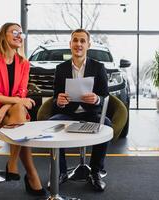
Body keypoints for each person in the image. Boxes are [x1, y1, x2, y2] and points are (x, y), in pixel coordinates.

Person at [0, 22, 46, 196]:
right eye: (14, 32)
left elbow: (21, 92)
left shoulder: (23, 63)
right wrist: (11, 103)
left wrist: (5, 107)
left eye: (21, 33)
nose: (19, 35)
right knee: (21, 121)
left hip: (8, 112)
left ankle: (13, 163)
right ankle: (32, 176)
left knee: (19, 114)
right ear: (3, 35)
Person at [50, 28, 112, 192]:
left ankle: (96, 172)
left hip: (90, 113)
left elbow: (105, 96)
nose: (78, 44)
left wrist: (96, 98)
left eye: (82, 41)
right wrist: (60, 102)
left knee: (105, 124)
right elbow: (55, 98)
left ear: (88, 45)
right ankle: (60, 172)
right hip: (67, 114)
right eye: (75, 40)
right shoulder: (61, 68)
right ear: (70, 44)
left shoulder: (98, 67)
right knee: (52, 124)